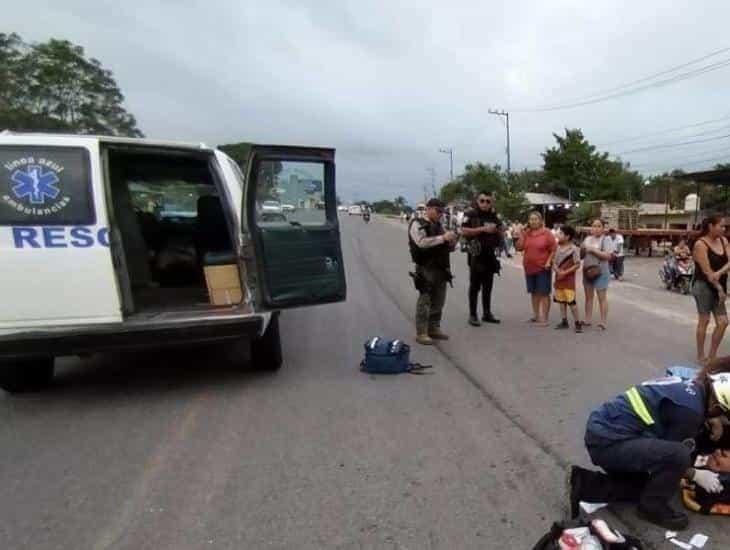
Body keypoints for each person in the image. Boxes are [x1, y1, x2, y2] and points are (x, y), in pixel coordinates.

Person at [568, 358, 730, 530]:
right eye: (724, 413)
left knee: (649, 485)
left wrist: (711, 417)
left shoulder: (692, 385)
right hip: (609, 442)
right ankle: (651, 508)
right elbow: (674, 457)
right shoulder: (691, 413)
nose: (724, 418)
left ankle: (583, 484)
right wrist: (696, 474)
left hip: (605, 431)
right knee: (679, 456)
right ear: (717, 405)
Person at [408, 198, 457, 345]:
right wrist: (443, 238)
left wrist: (452, 241)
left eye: (442, 212)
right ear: (428, 208)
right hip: (425, 267)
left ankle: (433, 327)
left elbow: (445, 246)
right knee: (425, 300)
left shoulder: (438, 225)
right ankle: (422, 332)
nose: (440, 214)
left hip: (441, 267)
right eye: (438, 211)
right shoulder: (417, 224)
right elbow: (421, 243)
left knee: (439, 300)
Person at [692, 214, 730, 365]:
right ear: (711, 226)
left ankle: (712, 356)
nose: (724, 228)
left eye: (725, 226)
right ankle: (701, 355)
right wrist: (720, 288)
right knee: (705, 320)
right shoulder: (700, 244)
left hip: (719, 283)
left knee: (723, 322)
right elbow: (707, 272)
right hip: (703, 286)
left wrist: (720, 273)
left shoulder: (724, 241)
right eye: (721, 226)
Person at [461, 192, 502, 326]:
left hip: (490, 254)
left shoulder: (494, 215)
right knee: (475, 286)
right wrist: (483, 229)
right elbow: (464, 230)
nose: (485, 203)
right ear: (477, 201)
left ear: (491, 202)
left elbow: (501, 230)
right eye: (482, 200)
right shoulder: (471, 214)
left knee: (488, 286)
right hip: (476, 254)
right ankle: (473, 314)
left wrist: (499, 230)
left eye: (488, 201)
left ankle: (487, 313)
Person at [515, 211, 557, 326]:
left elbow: (554, 249)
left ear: (540, 221)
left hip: (543, 267)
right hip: (529, 267)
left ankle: (545, 318)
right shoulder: (527, 233)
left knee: (543, 293)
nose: (533, 221)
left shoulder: (546, 233)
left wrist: (549, 261)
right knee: (533, 292)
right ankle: (536, 316)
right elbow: (519, 247)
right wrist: (521, 234)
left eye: (535, 219)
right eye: (531, 219)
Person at [581, 219, 613, 330]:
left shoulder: (606, 239)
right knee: (588, 297)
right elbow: (582, 254)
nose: (596, 228)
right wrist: (582, 249)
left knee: (601, 297)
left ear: (603, 228)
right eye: (594, 226)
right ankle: (587, 319)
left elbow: (608, 256)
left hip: (601, 271)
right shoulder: (587, 239)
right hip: (587, 271)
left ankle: (603, 322)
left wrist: (593, 250)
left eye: (599, 226)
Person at [553, 225, 583, 333]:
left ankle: (577, 322)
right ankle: (564, 321)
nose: (558, 235)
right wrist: (557, 271)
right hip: (558, 279)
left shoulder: (574, 249)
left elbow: (577, 264)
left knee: (571, 301)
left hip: (568, 280)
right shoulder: (557, 248)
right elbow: (554, 262)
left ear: (567, 236)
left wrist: (564, 273)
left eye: (561, 233)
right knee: (561, 300)